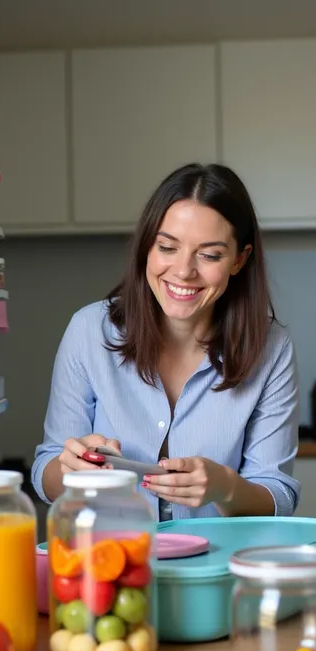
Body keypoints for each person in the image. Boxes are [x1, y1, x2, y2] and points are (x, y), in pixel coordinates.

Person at [31, 163, 301, 521]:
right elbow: (46, 470)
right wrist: (72, 470)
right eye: (167, 247)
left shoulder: (272, 349)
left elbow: (278, 495)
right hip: (111, 560)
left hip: (218, 566)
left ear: (239, 259)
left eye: (209, 255)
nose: (183, 271)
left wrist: (227, 487)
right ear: (147, 246)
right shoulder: (88, 331)